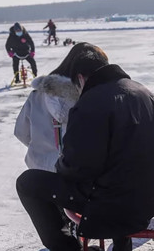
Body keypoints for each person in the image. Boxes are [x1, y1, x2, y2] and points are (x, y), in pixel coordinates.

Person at [16, 44, 154, 251]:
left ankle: (65, 250)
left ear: (80, 78)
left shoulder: (90, 104)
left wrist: (60, 168)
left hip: (110, 206)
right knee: (120, 174)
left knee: (28, 183)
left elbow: (78, 166)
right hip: (150, 200)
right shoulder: (148, 94)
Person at [14, 43, 94, 172]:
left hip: (39, 168)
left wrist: (41, 147)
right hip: (77, 172)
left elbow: (21, 132)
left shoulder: (36, 97)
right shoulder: (93, 98)